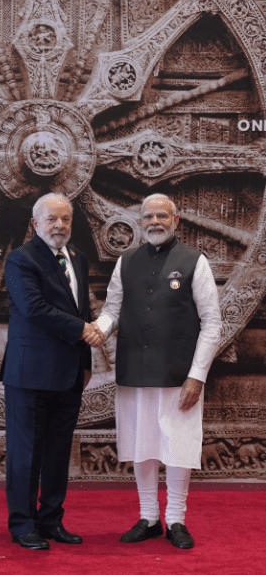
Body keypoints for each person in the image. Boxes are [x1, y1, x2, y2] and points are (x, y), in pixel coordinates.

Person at [93, 193, 221, 549]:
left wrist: (197, 375)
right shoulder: (126, 261)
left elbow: (212, 323)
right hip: (134, 370)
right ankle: (149, 517)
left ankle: (176, 519)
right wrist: (97, 330)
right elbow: (112, 311)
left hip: (180, 375)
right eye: (148, 216)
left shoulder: (194, 261)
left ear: (175, 220)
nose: (154, 222)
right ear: (141, 222)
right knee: (142, 444)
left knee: (178, 445)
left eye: (162, 216)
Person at [1, 193, 102, 550]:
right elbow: (34, 308)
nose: (59, 226)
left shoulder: (78, 258)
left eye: (65, 219)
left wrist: (86, 363)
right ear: (35, 224)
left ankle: (51, 520)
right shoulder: (20, 259)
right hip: (29, 373)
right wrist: (83, 331)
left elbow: (81, 310)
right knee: (25, 452)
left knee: (59, 451)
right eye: (51, 219)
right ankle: (23, 524)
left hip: (69, 374)